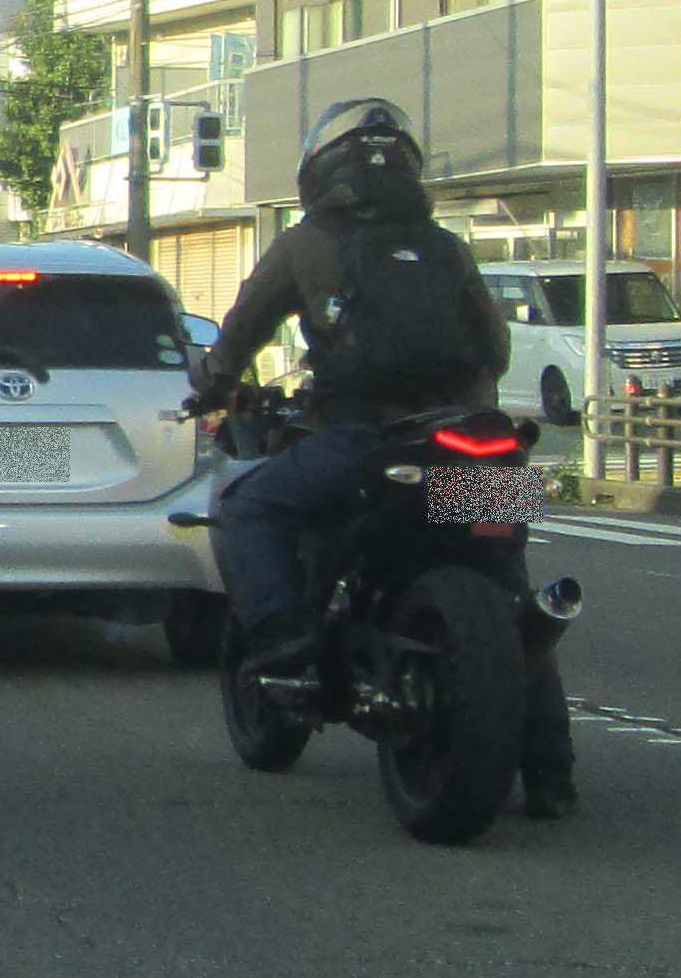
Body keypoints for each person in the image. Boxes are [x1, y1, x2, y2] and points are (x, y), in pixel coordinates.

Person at [186, 97, 577, 821]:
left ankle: (286, 644)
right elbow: (495, 349)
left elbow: (239, 335)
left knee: (249, 506)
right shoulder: (446, 245)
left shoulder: (309, 242)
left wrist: (211, 385)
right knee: (510, 594)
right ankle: (552, 773)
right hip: (478, 439)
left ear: (320, 171)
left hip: (361, 437)